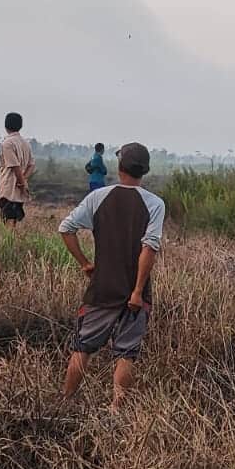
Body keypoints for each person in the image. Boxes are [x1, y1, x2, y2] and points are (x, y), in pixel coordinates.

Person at [58, 142, 165, 410]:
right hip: (134, 293)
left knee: (82, 347)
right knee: (126, 353)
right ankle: (117, 409)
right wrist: (138, 291)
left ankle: (66, 403)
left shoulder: (98, 197)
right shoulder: (154, 204)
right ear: (146, 170)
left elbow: (66, 228)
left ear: (119, 168)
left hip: (101, 288)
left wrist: (85, 263)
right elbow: (149, 247)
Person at [0, 112, 36, 229]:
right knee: (13, 220)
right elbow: (32, 165)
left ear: (6, 126)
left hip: (9, 188)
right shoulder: (26, 143)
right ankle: (13, 243)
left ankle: (10, 245)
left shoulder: (7, 143)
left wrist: (20, 183)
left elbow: (15, 166)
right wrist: (24, 180)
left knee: (8, 220)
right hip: (19, 191)